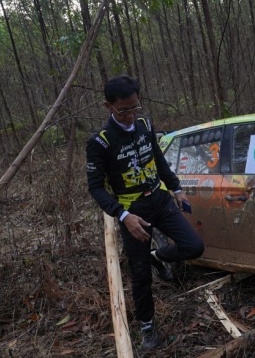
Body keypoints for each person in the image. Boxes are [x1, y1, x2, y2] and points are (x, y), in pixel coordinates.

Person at [86, 75, 204, 350]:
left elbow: (158, 159)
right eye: (123, 110)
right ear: (108, 107)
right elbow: (95, 187)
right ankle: (148, 329)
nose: (130, 115)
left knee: (194, 246)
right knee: (140, 275)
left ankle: (157, 255)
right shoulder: (101, 142)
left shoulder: (145, 125)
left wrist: (176, 188)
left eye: (135, 108)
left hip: (160, 200)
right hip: (133, 212)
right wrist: (123, 216)